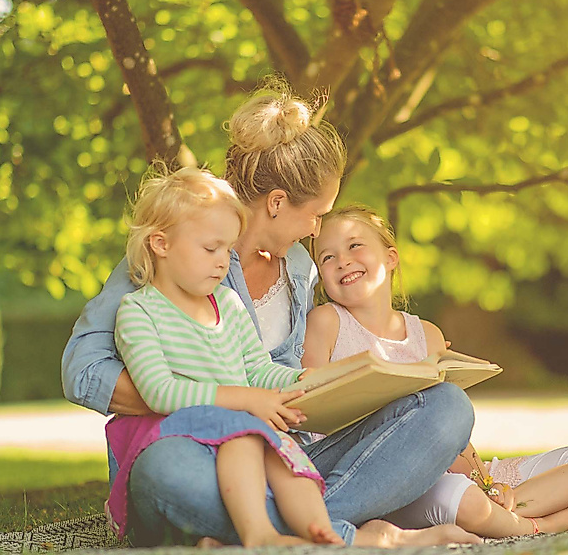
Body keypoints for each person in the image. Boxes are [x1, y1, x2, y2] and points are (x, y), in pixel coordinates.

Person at [61, 82, 481, 547]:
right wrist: (231, 405)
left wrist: (353, 382)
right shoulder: (171, 254)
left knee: (446, 408)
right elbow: (83, 369)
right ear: (278, 203)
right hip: (194, 449)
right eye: (316, 214)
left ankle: (268, 532)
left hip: (284, 456)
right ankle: (349, 535)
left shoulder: (299, 268)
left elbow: (279, 378)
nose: (318, 230)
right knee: (167, 472)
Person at [303, 205, 568, 538]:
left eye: (354, 245)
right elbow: (313, 413)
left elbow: (453, 430)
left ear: (391, 257)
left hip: (447, 469)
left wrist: (488, 482)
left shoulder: (427, 334)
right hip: (376, 475)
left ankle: (503, 506)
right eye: (327, 257)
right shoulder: (326, 323)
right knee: (463, 500)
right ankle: (540, 524)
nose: (343, 261)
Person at [105, 166, 341, 546]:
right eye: (210, 248)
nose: (222, 262)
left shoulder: (228, 305)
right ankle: (260, 534)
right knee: (246, 437)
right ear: (161, 244)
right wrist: (247, 399)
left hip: (236, 435)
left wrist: (303, 380)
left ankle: (324, 533)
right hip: (182, 439)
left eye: (227, 250)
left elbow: (257, 369)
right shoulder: (139, 311)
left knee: (284, 455)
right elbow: (160, 392)